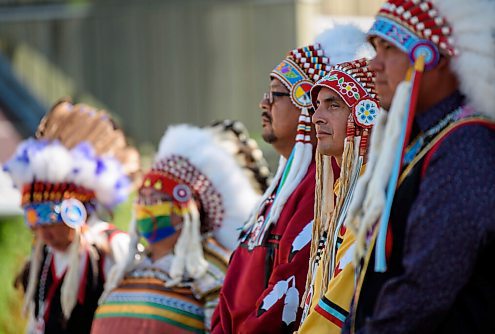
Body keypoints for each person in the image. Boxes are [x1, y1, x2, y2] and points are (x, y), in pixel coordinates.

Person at [342, 0, 495, 333]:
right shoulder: (428, 140)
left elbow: (424, 288)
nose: (374, 64)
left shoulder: (467, 145)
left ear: (433, 57)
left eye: (389, 48)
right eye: (374, 47)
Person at [212, 25, 368, 333]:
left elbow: (290, 290)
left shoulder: (319, 189)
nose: (263, 103)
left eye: (276, 94)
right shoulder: (282, 188)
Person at [91, 121, 269, 333]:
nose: (146, 208)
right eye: (143, 199)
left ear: (186, 213)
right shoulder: (126, 270)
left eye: (157, 201)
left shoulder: (209, 276)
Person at [3, 99, 139, 334]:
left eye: (53, 220)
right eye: (36, 222)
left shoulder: (114, 247)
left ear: (76, 212)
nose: (45, 233)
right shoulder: (43, 259)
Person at [298, 58, 379, 334]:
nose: (316, 117)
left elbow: (343, 299)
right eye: (316, 106)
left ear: (367, 115)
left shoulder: (373, 197)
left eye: (333, 105)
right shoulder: (344, 192)